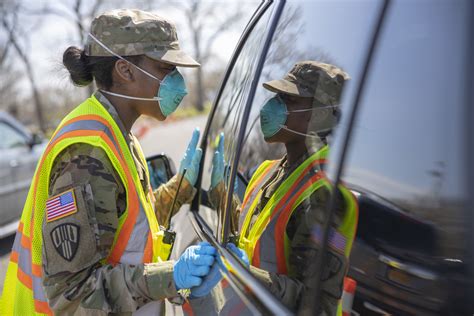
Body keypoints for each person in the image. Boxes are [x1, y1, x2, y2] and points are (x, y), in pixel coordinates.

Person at [0, 9, 218, 315]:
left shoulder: (116, 134)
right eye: (166, 68)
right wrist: (171, 277)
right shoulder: (89, 153)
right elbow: (72, 293)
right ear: (125, 71)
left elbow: (122, 228)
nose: (178, 82)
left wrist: (177, 190)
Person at [209, 61, 359, 315]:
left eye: (289, 100)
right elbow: (252, 239)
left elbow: (314, 303)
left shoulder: (324, 194)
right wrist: (219, 193)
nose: (272, 106)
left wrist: (242, 272)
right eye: (277, 96)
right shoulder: (268, 170)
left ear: (321, 114)